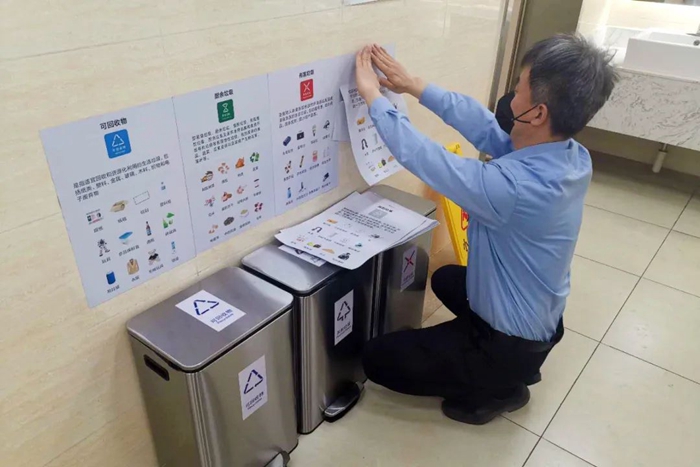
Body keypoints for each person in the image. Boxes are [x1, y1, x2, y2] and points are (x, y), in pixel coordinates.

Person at [355, 35, 617, 425]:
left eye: (519, 89)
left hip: (506, 347)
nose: (511, 97)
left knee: (377, 358)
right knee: (446, 278)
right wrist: (413, 85)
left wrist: (373, 97)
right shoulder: (571, 156)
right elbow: (483, 126)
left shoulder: (514, 189)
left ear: (538, 113)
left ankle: (498, 388)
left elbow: (425, 158)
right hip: (538, 323)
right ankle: (499, 366)